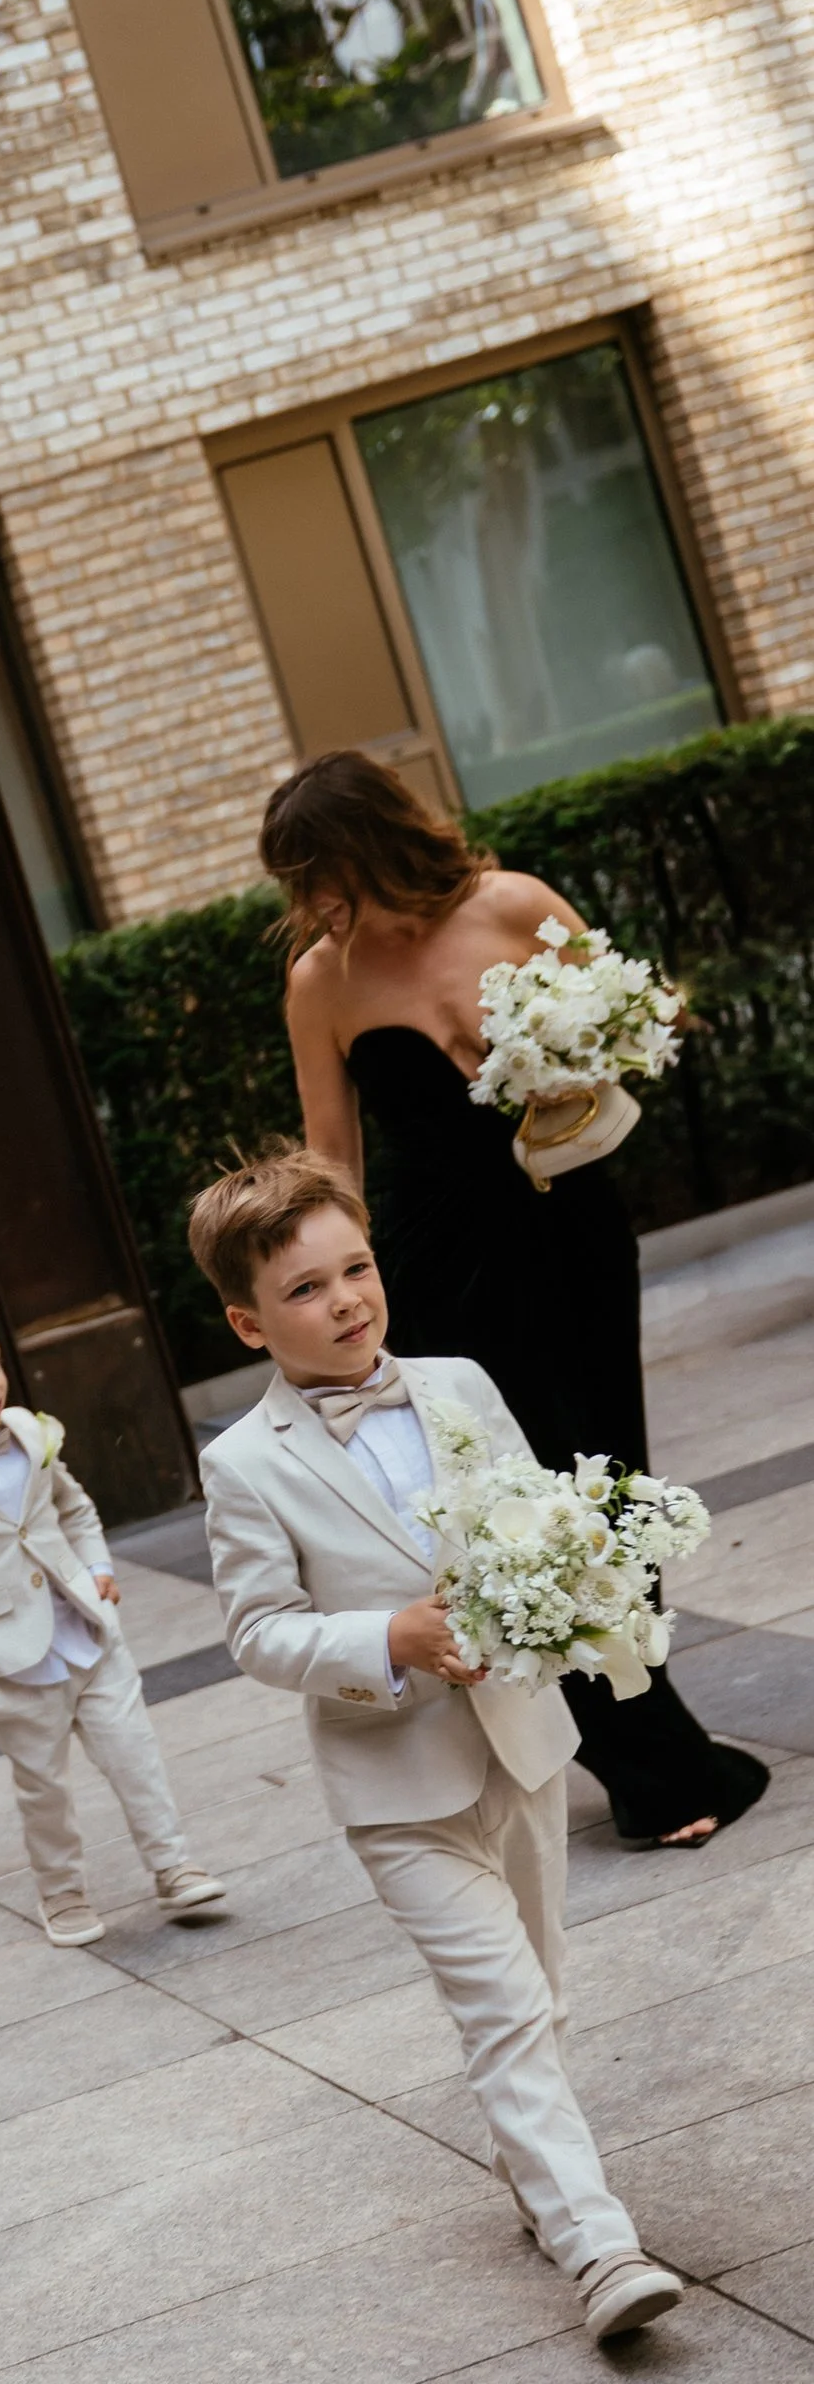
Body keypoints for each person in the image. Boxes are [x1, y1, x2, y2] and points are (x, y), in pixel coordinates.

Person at [192, 1146, 682, 2346]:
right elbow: (258, 1632)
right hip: (396, 1784)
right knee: (502, 2007)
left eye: (355, 1269)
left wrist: (570, 1589)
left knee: (544, 1993)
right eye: (305, 1289)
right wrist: (386, 1637)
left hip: (520, 1739)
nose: (345, 1301)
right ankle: (599, 2248)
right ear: (248, 1323)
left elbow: (533, 1514)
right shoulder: (243, 1462)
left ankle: (535, 2171)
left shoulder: (458, 1383)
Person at [267, 747, 763, 1849]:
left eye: (321, 874)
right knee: (528, 1493)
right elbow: (333, 1153)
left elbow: (651, 1018)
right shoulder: (321, 981)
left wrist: (592, 1047)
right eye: (297, 885)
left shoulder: (511, 903)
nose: (311, 903)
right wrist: (337, 1289)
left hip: (572, 1224)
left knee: (611, 1467)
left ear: (373, 842)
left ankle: (643, 1723)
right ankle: (655, 1767)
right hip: (443, 1260)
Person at [0, 1298, 224, 1946]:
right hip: (9, 1657)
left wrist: (97, 1566)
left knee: (135, 1756)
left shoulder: (30, 1434)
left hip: (85, 1628)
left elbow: (74, 1508)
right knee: (43, 1787)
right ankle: (62, 1893)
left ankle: (175, 1866)